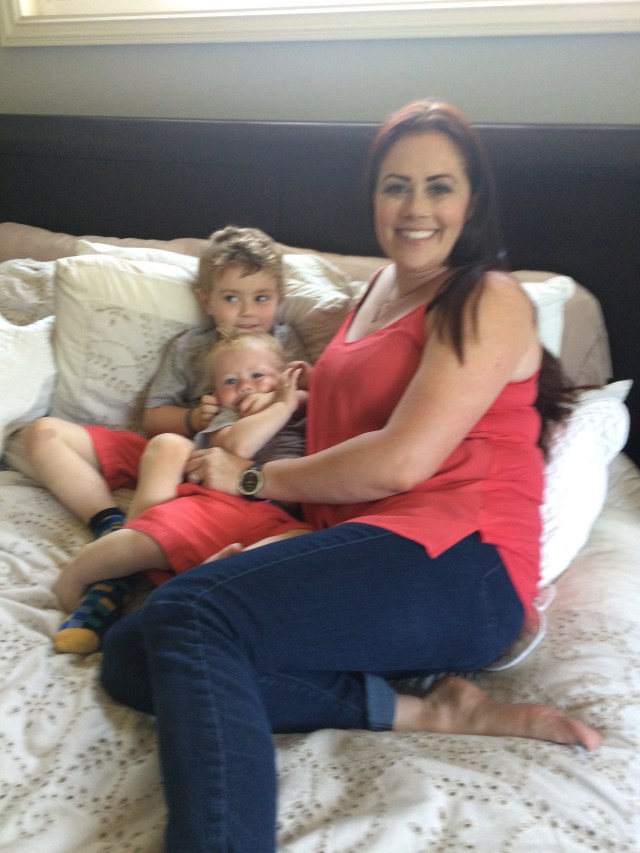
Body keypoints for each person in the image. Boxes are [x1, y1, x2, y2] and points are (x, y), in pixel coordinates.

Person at [99, 100, 602, 853]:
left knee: (193, 615)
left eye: (439, 186)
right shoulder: (374, 294)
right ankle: (426, 711)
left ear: (473, 200)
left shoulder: (486, 297)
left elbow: (401, 460)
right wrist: (273, 558)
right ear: (373, 197)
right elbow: (341, 457)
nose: (416, 208)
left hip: (462, 563)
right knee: (132, 651)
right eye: (396, 186)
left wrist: (251, 480)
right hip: (373, 548)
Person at [23, 226, 309, 651]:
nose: (247, 311)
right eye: (232, 298)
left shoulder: (286, 344)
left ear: (279, 298)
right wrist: (192, 417)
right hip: (186, 452)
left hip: (239, 475)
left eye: (261, 298)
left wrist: (279, 398)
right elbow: (155, 419)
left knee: (301, 540)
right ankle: (110, 525)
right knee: (45, 434)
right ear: (206, 301)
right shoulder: (190, 347)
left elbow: (316, 394)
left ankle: (128, 556)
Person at [50, 329, 311, 653]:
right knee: (163, 532)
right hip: (224, 501)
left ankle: (204, 583)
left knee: (306, 543)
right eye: (231, 381)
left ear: (284, 376)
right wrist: (281, 405)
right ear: (215, 393)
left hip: (278, 515)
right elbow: (238, 445)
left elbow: (327, 398)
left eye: (258, 375)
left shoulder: (300, 405)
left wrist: (295, 392)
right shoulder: (229, 417)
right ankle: (80, 575)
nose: (245, 386)